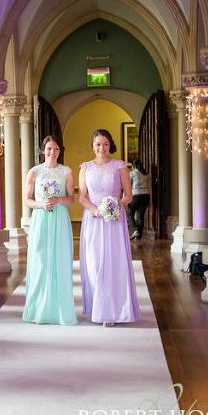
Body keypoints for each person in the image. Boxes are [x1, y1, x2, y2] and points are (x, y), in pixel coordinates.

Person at [79, 129, 140, 327]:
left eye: (105, 144)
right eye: (98, 144)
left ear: (110, 145)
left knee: (114, 263)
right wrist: (96, 210)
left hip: (114, 219)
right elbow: (82, 197)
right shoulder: (85, 167)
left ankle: (111, 311)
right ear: (93, 146)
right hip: (93, 219)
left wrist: (115, 206)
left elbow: (128, 195)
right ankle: (98, 306)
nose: (101, 148)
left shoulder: (120, 166)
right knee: (94, 262)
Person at [21, 136, 77, 325]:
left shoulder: (66, 171)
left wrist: (59, 200)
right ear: (42, 150)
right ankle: (38, 310)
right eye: (48, 149)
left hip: (60, 218)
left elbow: (71, 198)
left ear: (59, 151)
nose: (52, 152)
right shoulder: (34, 172)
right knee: (40, 260)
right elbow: (27, 199)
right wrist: (41, 204)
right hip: (41, 218)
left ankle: (60, 310)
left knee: (59, 260)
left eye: (55, 149)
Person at [127, 159, 151, 240]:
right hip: (146, 195)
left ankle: (135, 230)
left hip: (136, 195)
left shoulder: (132, 173)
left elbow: (128, 186)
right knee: (140, 215)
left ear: (133, 166)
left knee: (129, 213)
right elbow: (149, 186)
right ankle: (138, 236)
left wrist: (126, 197)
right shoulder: (146, 174)